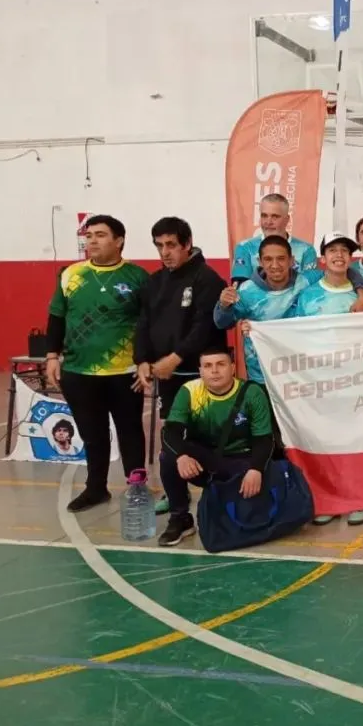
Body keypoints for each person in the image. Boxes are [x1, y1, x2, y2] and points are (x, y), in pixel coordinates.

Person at [44, 214, 149, 512]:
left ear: (119, 241)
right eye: (89, 235)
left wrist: (145, 361)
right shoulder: (71, 275)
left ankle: (136, 487)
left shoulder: (138, 277)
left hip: (125, 372)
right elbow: (56, 317)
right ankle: (96, 488)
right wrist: (52, 356)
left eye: (100, 235)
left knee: (130, 431)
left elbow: (149, 323)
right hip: (79, 370)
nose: (92, 241)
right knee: (92, 434)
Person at [133, 217, 228, 515]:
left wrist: (174, 358)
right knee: (171, 435)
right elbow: (143, 324)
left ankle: (220, 489)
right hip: (168, 377)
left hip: (202, 376)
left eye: (171, 245)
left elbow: (203, 327)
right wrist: (142, 360)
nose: (165, 252)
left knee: (210, 435)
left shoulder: (208, 279)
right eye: (159, 246)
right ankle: (175, 492)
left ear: (187, 244)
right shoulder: (154, 282)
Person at [293, 231, 363, 526]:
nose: (339, 255)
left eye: (344, 251)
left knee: (355, 441)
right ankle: (330, 500)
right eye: (333, 250)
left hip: (356, 382)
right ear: (323, 258)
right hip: (321, 383)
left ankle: (360, 499)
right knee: (326, 442)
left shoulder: (361, 297)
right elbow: (293, 335)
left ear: (350, 257)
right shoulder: (308, 296)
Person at [158, 348, 275, 547]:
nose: (214, 371)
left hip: (241, 463)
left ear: (233, 368)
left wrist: (256, 469)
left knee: (241, 523)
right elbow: (170, 431)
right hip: (204, 461)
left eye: (221, 364)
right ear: (200, 371)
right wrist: (181, 457)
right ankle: (180, 518)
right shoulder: (190, 391)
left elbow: (264, 439)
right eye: (208, 366)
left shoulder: (252, 392)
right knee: (167, 456)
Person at [214, 235, 313, 386]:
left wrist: (356, 299)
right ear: (259, 262)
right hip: (261, 377)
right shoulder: (247, 291)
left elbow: (341, 273)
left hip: (299, 374)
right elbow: (222, 323)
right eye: (268, 259)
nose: (275, 265)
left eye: (281, 258)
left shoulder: (307, 281)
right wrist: (223, 305)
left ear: (291, 261)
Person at [230, 193, 318, 284]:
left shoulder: (306, 250)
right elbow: (240, 286)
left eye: (275, 217)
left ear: (287, 219)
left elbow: (310, 285)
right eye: (264, 216)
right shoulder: (245, 247)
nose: (268, 222)